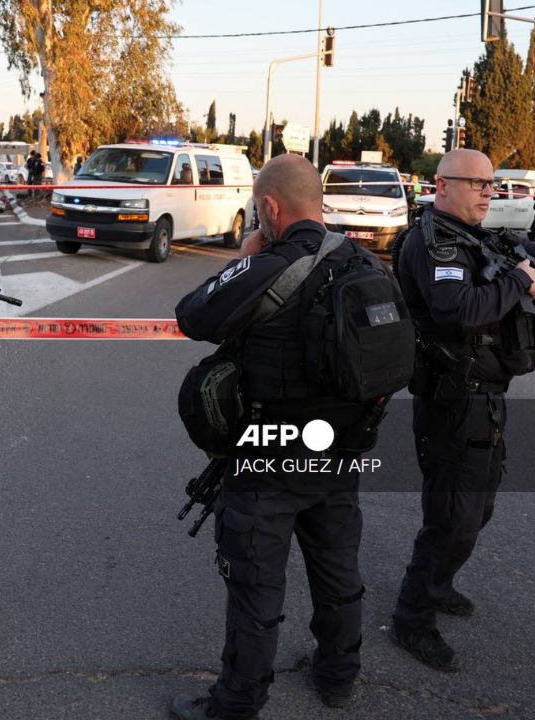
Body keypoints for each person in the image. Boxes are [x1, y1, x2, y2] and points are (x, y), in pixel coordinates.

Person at [171, 154, 399, 719]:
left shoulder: (268, 263)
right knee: (338, 573)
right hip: (340, 454)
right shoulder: (365, 263)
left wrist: (243, 258)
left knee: (255, 587)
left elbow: (192, 316)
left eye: (257, 210)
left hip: (267, 461)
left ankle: (237, 704)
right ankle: (337, 677)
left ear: (269, 208)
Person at [388, 149, 535, 672]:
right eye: (478, 185)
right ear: (442, 186)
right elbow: (458, 311)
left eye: (492, 186)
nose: (488, 194)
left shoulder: (473, 233)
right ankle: (412, 618)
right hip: (452, 401)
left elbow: (521, 244)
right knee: (450, 518)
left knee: (478, 509)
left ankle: (439, 583)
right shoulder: (434, 244)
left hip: (485, 398)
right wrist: (520, 281)